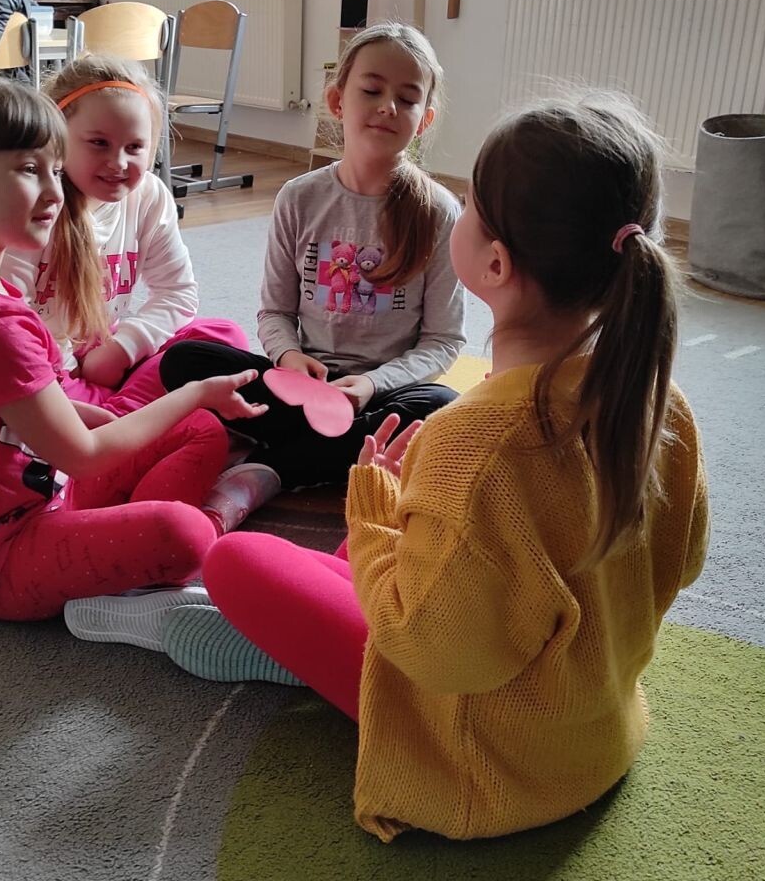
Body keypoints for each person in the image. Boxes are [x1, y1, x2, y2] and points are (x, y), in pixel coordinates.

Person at [150, 92, 711, 843]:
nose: (458, 208)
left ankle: (291, 659)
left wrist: (376, 512)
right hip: (595, 725)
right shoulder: (658, 398)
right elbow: (681, 563)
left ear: (496, 262)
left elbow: (434, 652)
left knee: (237, 562)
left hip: (492, 760)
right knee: (365, 540)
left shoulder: (474, 442)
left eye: (470, 201)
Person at [0, 72, 267, 626]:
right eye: (31, 170)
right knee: (183, 531)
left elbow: (30, 406)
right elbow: (85, 454)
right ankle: (165, 549)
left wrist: (119, 416)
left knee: (201, 431)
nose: (55, 192)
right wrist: (193, 393)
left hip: (51, 486)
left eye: (55, 168)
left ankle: (124, 543)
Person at [158, 21, 466, 516]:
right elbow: (275, 312)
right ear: (337, 101)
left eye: (407, 99)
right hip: (301, 387)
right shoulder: (299, 198)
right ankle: (336, 454)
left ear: (424, 119)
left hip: (384, 395)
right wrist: (288, 358)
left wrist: (371, 384)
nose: (388, 106)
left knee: (443, 407)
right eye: (372, 90)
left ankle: (273, 467)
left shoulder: (440, 212)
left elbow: (443, 341)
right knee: (184, 360)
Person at [2, 54, 249, 421]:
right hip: (50, 367)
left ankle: (128, 419)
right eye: (99, 143)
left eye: (134, 147)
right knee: (30, 397)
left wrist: (122, 348)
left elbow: (178, 292)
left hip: (103, 348)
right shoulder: (34, 206)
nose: (118, 163)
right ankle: (133, 420)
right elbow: (10, 325)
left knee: (224, 337)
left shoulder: (148, 194)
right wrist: (72, 368)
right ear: (57, 137)